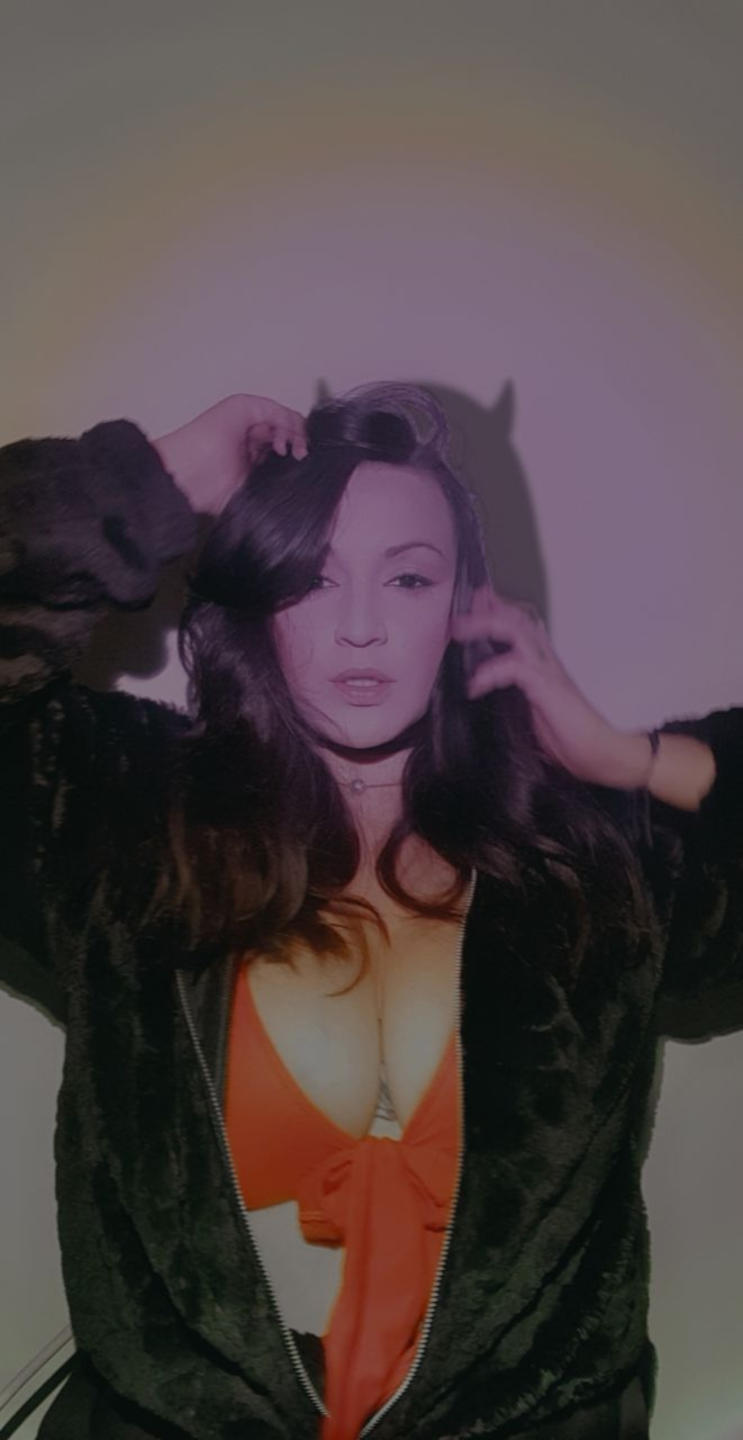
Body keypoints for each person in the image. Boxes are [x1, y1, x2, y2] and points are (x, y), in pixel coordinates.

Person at [0, 380, 739, 1440]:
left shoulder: (593, 851)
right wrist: (140, 483)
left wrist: (638, 759)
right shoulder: (118, 820)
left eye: (406, 577)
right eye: (310, 579)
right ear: (258, 599)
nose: (358, 628)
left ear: (462, 607)